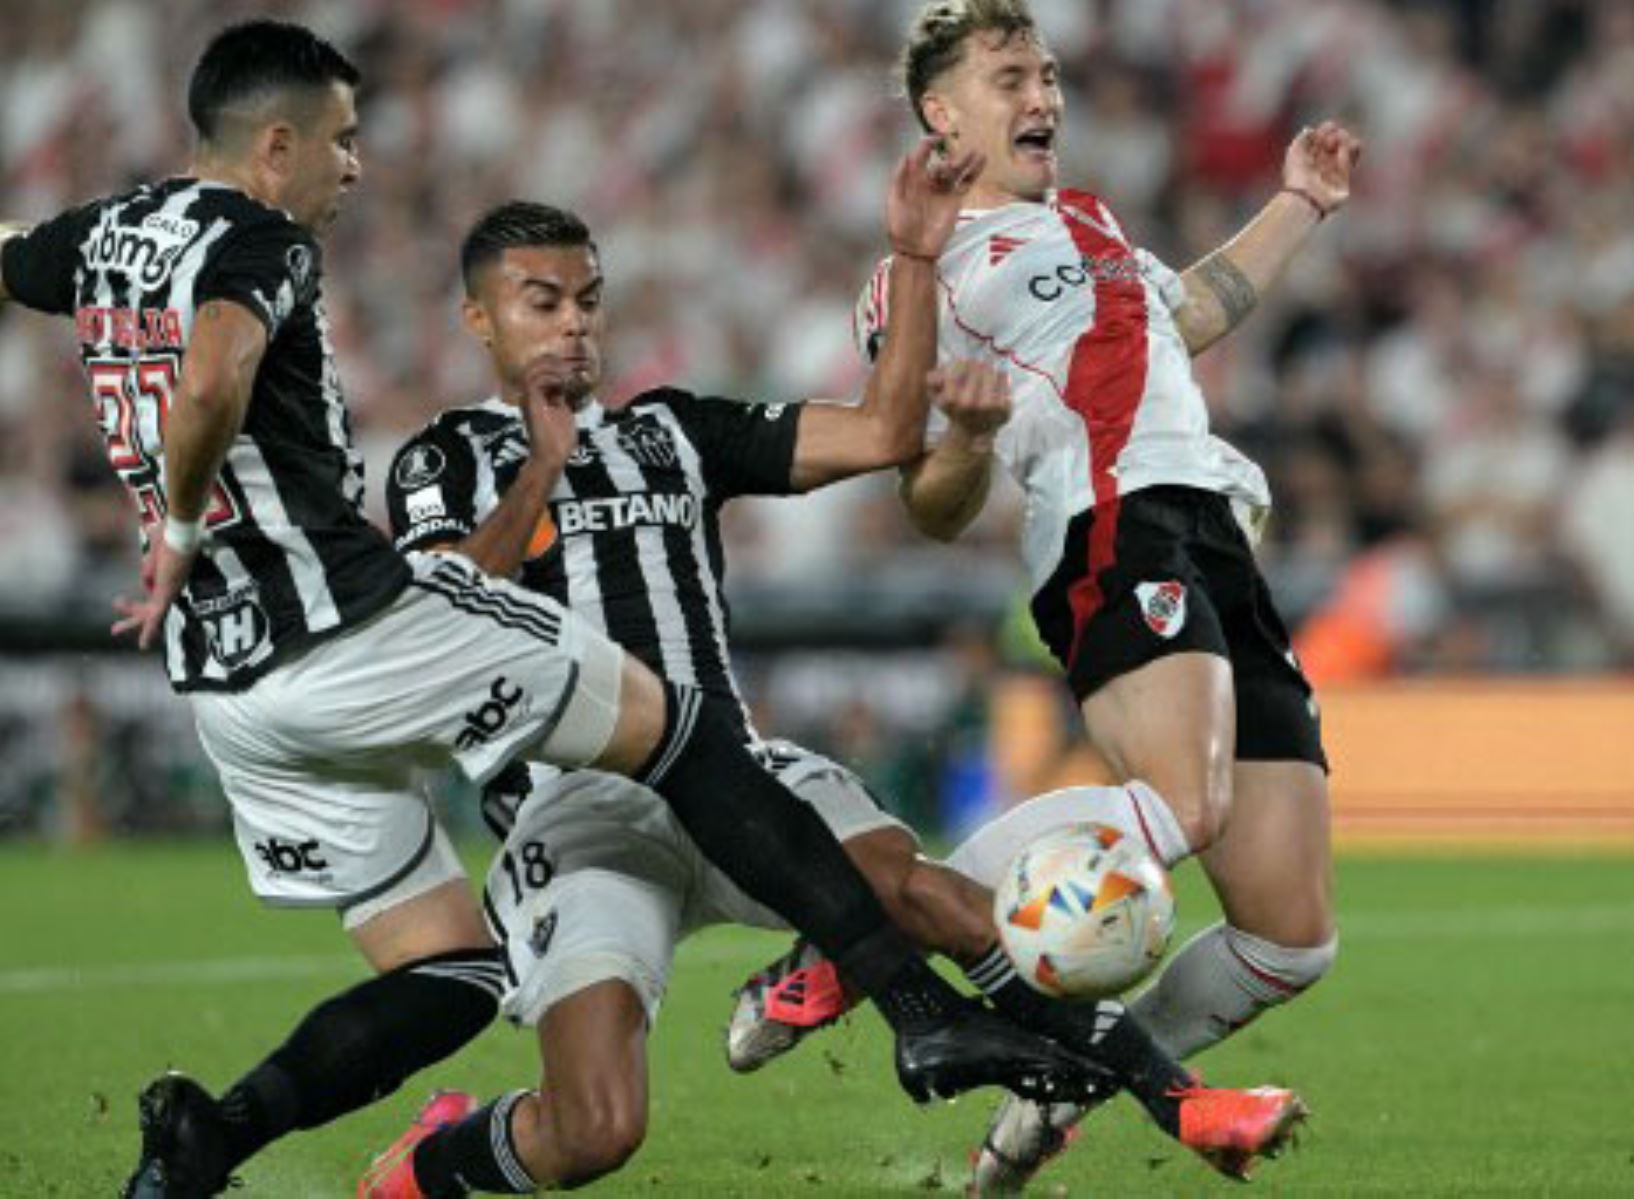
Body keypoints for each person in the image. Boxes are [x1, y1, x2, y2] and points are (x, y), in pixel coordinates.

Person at [0, 20, 1111, 1199]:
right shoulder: (264, 240)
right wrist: (175, 529)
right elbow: (218, 374)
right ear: (276, 146)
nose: (358, 165)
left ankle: (207, 1140)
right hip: (346, 627)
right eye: (343, 139)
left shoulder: (103, 237)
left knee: (451, 972)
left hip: (229, 692)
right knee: (675, 725)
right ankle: (920, 1010)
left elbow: (18, 255)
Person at [356, 197, 1307, 1196]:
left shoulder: (673, 429)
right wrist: (542, 465)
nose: (573, 324)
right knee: (594, 1130)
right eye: (541, 302)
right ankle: (426, 1166)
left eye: (588, 300)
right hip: (579, 804)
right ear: (480, 321)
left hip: (733, 771)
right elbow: (444, 608)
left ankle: (1187, 1102)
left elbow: (886, 432)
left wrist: (910, 255)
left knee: (932, 894)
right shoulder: (445, 457)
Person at [727, 1, 1362, 1189]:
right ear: (941, 112)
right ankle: (857, 930)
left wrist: (1301, 206)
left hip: (1208, 523)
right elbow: (929, 494)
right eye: (1012, 75)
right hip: (1108, 518)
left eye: (1051, 74)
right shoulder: (919, 273)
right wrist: (963, 439)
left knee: (1288, 933)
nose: (1045, 97)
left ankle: (1047, 1101)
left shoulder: (1086, 219)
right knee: (1183, 801)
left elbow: (1192, 314)